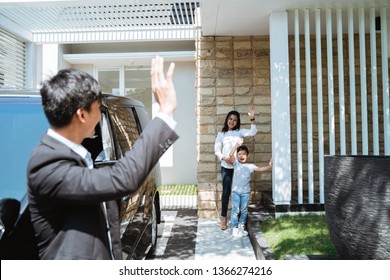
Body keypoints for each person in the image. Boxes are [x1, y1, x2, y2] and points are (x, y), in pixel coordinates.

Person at [27, 56, 179, 260]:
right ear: (82, 115)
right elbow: (121, 178)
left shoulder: (71, 152)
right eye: (98, 109)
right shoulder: (47, 165)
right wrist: (165, 113)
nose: (99, 116)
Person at [214, 107, 257, 230]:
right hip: (226, 166)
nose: (232, 121)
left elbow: (253, 132)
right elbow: (217, 149)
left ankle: (237, 218)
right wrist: (224, 158)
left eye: (235, 120)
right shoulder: (221, 134)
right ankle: (223, 219)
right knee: (226, 192)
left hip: (238, 167)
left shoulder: (239, 132)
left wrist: (252, 118)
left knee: (238, 191)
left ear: (237, 122)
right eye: (230, 119)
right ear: (227, 119)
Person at [228, 138, 272, 237]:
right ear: (237, 156)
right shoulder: (236, 164)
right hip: (235, 192)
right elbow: (231, 155)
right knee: (235, 210)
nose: (241, 156)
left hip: (245, 192)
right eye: (239, 154)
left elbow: (260, 169)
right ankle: (234, 228)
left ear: (248, 155)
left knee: (244, 210)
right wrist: (236, 145)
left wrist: (269, 167)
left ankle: (241, 226)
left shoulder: (250, 166)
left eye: (244, 154)